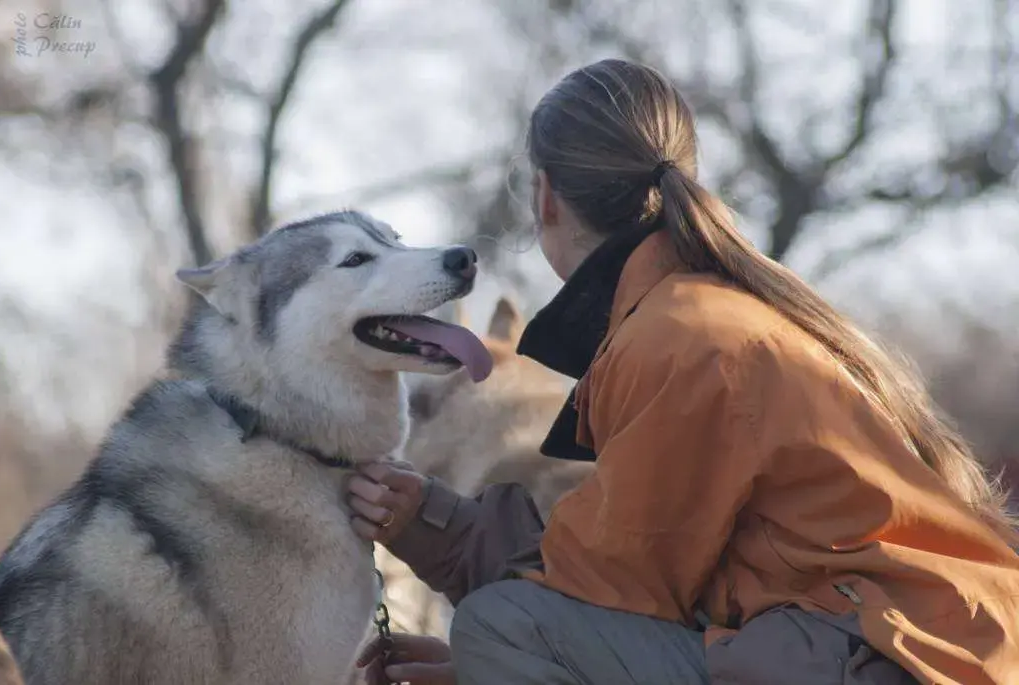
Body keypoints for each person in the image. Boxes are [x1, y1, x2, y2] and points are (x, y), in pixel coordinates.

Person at [347, 59, 1019, 685]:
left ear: (545, 196)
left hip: (888, 655)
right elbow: (657, 579)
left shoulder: (678, 338)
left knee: (500, 621)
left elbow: (608, 583)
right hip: (907, 645)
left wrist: (436, 527)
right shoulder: (720, 312)